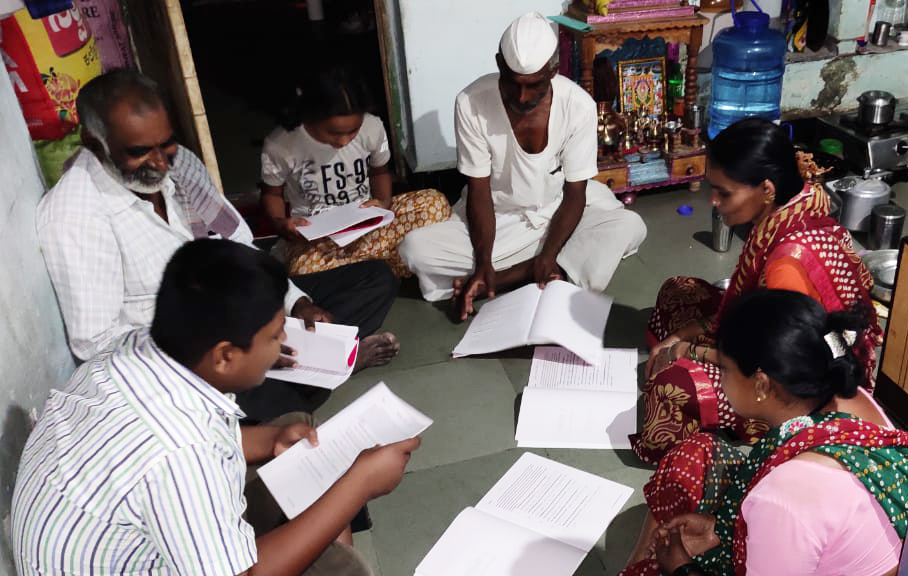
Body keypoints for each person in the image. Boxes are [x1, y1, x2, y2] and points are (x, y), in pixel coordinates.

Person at [11, 238, 421, 576]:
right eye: (276, 336)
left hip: (112, 543)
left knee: (297, 430)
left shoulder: (134, 353)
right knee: (340, 570)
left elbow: (208, 434)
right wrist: (360, 483)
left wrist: (272, 438)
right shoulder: (181, 451)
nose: (285, 345)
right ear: (225, 356)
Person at [36, 69, 399, 419]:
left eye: (166, 144)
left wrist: (295, 302)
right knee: (288, 417)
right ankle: (317, 372)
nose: (161, 163)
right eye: (140, 152)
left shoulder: (182, 167)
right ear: (93, 143)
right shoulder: (78, 214)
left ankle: (313, 368)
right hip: (190, 359)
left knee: (375, 279)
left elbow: (239, 246)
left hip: (240, 314)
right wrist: (230, 349)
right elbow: (97, 344)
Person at [632, 117, 882, 464]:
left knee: (670, 388)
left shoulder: (786, 264)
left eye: (724, 192)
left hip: (796, 389)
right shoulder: (794, 209)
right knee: (679, 291)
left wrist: (688, 351)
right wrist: (689, 333)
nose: (714, 202)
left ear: (766, 189)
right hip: (787, 341)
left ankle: (717, 438)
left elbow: (776, 365)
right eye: (712, 190)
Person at [621, 289, 908, 576]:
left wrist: (680, 567)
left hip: (795, 523)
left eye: (724, 369)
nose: (720, 379)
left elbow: (795, 504)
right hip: (821, 540)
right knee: (694, 453)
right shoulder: (845, 394)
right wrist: (720, 528)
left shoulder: (784, 496)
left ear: (760, 385)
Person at [398, 12, 646, 318]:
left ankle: (512, 276)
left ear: (553, 70)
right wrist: (484, 260)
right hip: (497, 220)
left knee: (629, 225)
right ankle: (543, 270)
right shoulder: (471, 102)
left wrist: (549, 250)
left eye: (535, 86)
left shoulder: (578, 105)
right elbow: (479, 192)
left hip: (560, 212)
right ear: (499, 64)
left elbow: (575, 193)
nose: (522, 97)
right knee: (414, 250)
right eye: (513, 84)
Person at [261, 64, 451, 278]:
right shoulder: (281, 145)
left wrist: (383, 204)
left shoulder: (373, 127)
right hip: (318, 240)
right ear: (311, 115)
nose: (343, 141)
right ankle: (387, 266)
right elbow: (272, 193)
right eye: (333, 133)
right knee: (303, 270)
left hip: (367, 225)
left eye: (352, 132)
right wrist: (281, 224)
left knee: (435, 203)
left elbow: (379, 171)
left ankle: (360, 271)